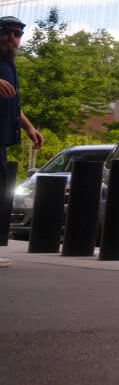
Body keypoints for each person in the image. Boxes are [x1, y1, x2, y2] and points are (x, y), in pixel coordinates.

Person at [1, 15, 43, 268]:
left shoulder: (9, 63)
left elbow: (13, 103)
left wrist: (28, 128)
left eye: (18, 35)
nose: (13, 39)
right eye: (7, 32)